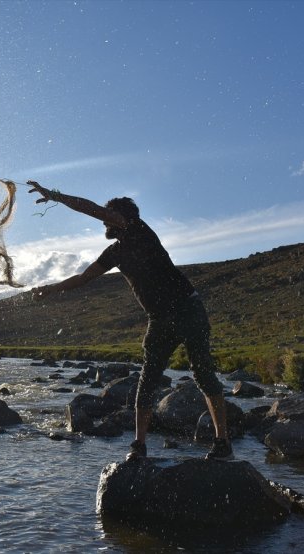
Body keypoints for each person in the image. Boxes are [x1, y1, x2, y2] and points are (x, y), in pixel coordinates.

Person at [27, 181, 233, 461]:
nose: (104, 221)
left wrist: (55, 196)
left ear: (123, 217)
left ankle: (222, 443)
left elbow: (92, 210)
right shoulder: (114, 253)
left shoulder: (139, 230)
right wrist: (50, 289)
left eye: (108, 215)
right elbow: (83, 279)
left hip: (188, 309)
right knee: (147, 379)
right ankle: (139, 446)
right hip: (158, 319)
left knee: (203, 374)